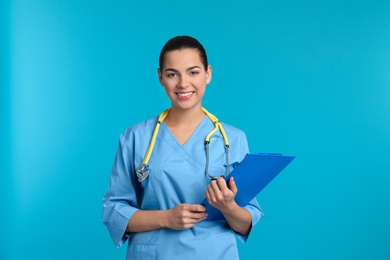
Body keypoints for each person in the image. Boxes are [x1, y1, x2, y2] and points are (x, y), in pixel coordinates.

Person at [102, 35, 263, 259]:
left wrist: (228, 207)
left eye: (193, 72)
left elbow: (246, 223)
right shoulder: (135, 137)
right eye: (172, 74)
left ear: (208, 73)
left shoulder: (233, 139)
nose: (183, 83)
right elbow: (114, 211)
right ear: (160, 77)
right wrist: (166, 218)